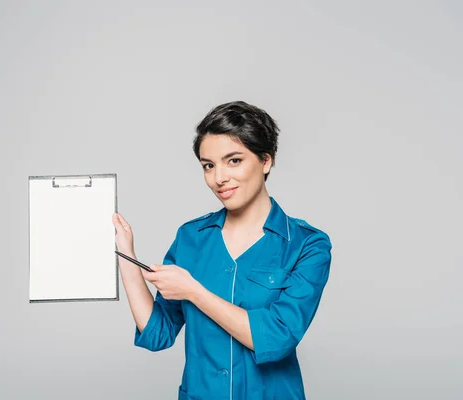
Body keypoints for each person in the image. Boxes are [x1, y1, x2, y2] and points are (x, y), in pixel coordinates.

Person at [112, 101, 332, 400]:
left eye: (234, 160)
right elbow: (157, 334)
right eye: (208, 165)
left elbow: (277, 337)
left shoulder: (307, 245)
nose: (219, 178)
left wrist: (194, 291)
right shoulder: (191, 237)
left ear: (266, 161)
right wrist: (125, 253)